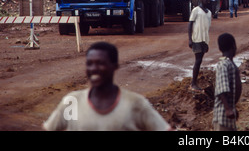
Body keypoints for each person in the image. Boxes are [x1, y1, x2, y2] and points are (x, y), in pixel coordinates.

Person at [43, 41, 171, 131]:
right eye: (90, 64)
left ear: (114, 66)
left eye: (101, 63)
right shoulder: (72, 102)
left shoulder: (135, 103)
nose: (94, 69)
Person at [213, 33, 242, 131]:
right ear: (234, 46)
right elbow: (221, 88)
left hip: (229, 113)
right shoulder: (223, 65)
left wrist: (232, 108)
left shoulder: (229, 63)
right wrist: (228, 109)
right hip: (223, 115)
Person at [188, 0, 212, 92]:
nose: (206, 0)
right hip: (196, 39)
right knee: (197, 61)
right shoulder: (196, 10)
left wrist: (207, 42)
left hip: (204, 40)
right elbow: (190, 25)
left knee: (200, 60)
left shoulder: (209, 13)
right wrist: (190, 39)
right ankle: (193, 83)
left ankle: (194, 82)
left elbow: (208, 28)